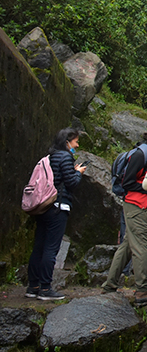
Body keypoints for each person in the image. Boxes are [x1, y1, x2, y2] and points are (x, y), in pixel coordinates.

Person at [102, 116, 147, 305]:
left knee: (127, 246)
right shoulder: (142, 154)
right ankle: (143, 290)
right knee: (142, 245)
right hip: (135, 204)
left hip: (144, 204)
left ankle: (109, 285)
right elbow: (127, 182)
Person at [25, 128, 87, 301]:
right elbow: (71, 183)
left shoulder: (49, 156)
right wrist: (78, 172)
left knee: (39, 247)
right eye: (75, 141)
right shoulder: (66, 156)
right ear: (67, 141)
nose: (77, 144)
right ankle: (45, 289)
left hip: (43, 207)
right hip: (58, 207)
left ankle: (33, 286)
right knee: (51, 249)